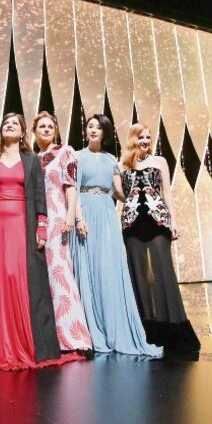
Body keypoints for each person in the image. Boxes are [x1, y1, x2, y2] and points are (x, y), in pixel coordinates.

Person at [0, 113, 82, 370]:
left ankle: (25, 340)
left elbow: (38, 194)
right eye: (6, 123)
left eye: (15, 124)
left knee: (19, 275)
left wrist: (41, 226)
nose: (10, 126)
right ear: (1, 130)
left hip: (22, 223)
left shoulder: (31, 160)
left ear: (23, 132)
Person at [70, 114, 162, 358]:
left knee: (108, 270)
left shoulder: (112, 159)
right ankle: (90, 329)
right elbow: (74, 190)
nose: (92, 130)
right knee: (88, 269)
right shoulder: (77, 157)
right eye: (89, 126)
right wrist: (78, 218)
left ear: (105, 133)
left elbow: (119, 192)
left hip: (107, 215)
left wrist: (142, 197)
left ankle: (113, 326)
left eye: (98, 128)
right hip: (86, 212)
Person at [119, 124, 200, 355]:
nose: (145, 141)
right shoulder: (122, 165)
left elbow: (167, 193)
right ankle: (148, 330)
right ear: (132, 139)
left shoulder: (160, 161)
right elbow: (119, 193)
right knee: (140, 276)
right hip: (132, 223)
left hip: (158, 220)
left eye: (148, 137)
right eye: (140, 137)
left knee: (163, 274)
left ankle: (175, 329)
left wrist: (173, 221)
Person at [31, 111, 93, 356]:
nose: (46, 130)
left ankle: (75, 337)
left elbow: (70, 186)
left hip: (58, 218)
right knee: (43, 279)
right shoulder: (34, 158)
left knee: (61, 275)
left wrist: (71, 217)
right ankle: (50, 337)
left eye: (50, 127)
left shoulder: (65, 151)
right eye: (41, 127)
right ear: (34, 132)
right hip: (38, 220)